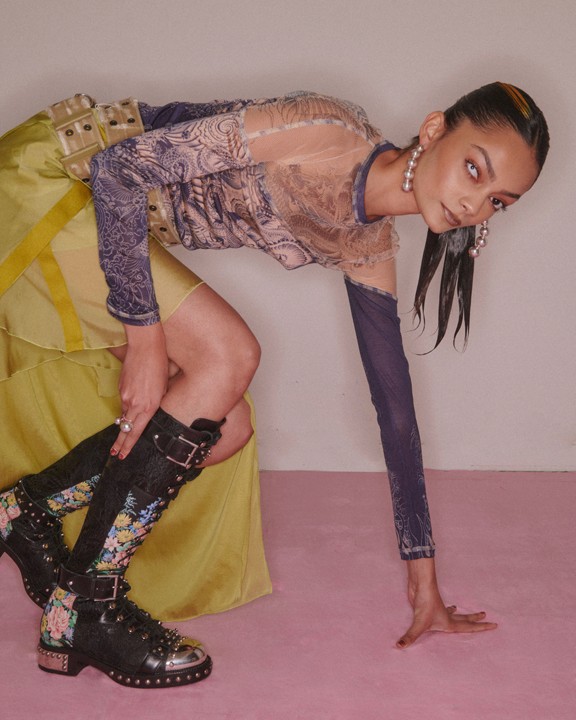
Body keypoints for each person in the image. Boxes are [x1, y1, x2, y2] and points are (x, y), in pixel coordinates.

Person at [0, 82, 549, 688]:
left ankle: (26, 510)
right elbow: (117, 170)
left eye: (498, 201)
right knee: (230, 354)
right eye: (474, 169)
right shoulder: (325, 132)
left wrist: (426, 586)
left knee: (228, 426)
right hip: (59, 180)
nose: (475, 205)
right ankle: (83, 607)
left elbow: (396, 415)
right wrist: (146, 342)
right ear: (434, 129)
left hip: (107, 228)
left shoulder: (367, 245)